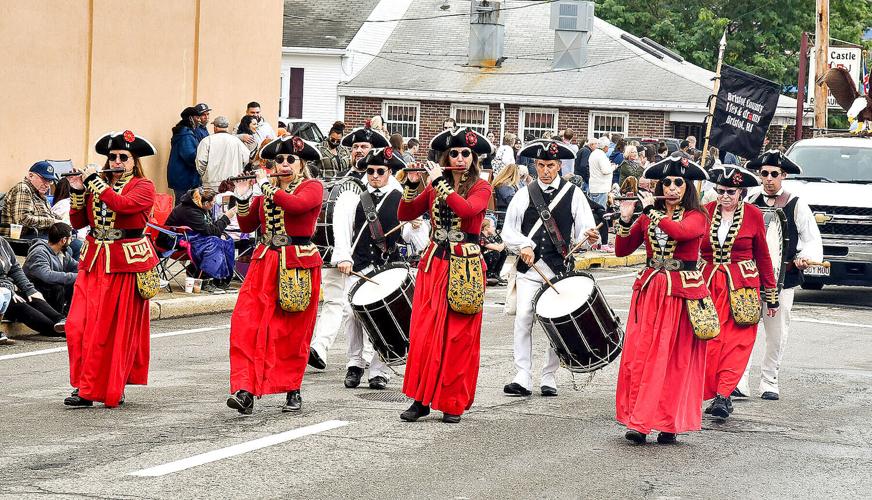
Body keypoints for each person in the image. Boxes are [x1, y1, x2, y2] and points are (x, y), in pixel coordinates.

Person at [397, 127, 494, 423]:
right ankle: (421, 398)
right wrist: (413, 184)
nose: (460, 158)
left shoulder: (482, 186)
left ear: (473, 158)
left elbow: (467, 211)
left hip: (465, 266)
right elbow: (405, 213)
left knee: (457, 337)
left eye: (466, 153)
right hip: (435, 263)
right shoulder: (435, 186)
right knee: (425, 333)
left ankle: (452, 401)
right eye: (454, 153)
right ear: (446, 157)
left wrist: (439, 182)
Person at [613, 153, 711, 444]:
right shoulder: (648, 216)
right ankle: (639, 422)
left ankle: (669, 422)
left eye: (678, 183)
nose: (671, 188)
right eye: (666, 183)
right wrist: (626, 218)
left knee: (674, 360)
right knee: (642, 357)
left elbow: (681, 232)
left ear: (688, 187)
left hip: (679, 293)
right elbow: (622, 250)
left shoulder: (697, 216)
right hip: (651, 291)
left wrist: (651, 212)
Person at [226, 135, 323, 414]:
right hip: (265, 261)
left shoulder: (312, 187)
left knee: (290, 332)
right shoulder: (267, 190)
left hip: (296, 262)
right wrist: (242, 196)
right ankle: (245, 390)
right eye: (279, 160)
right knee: (247, 325)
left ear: (302, 164)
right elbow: (247, 224)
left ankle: (292, 389)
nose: (284, 164)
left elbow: (296, 206)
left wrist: (265, 187)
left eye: (291, 159)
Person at [64, 130, 160, 408]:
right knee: (77, 326)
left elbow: (123, 205)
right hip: (94, 261)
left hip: (123, 264)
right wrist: (77, 190)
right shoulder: (100, 185)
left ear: (134, 161)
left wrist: (93, 182)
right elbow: (78, 222)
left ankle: (96, 388)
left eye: (123, 157)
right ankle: (85, 382)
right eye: (112, 157)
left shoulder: (144, 186)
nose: (116, 161)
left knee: (109, 331)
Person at [501, 140, 598, 397]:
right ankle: (522, 375)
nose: (546, 171)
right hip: (530, 270)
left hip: (559, 270)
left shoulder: (573, 193)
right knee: (524, 318)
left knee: (557, 323)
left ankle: (549, 375)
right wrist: (523, 245)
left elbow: (584, 232)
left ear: (559, 166)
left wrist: (590, 237)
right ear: (535, 165)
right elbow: (508, 230)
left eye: (551, 165)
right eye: (541, 165)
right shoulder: (524, 193)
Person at [331, 147, 423, 390]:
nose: (374, 175)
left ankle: (379, 370)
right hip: (359, 265)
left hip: (387, 268)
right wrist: (343, 256)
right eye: (370, 171)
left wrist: (415, 225)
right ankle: (354, 363)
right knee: (351, 313)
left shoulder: (400, 197)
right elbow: (343, 230)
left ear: (389, 172)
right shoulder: (354, 197)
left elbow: (412, 238)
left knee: (386, 318)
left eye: (380, 171)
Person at [737, 150, 823, 401]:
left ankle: (769, 380)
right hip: (750, 277)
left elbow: (811, 238)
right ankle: (739, 380)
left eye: (774, 174)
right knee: (744, 328)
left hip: (782, 279)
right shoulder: (749, 201)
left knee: (776, 332)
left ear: (783, 175)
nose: (768, 178)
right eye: (764, 173)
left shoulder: (796, 203)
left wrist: (805, 256)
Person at [307, 122, 391, 370]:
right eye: (355, 147)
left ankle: (365, 357)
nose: (359, 151)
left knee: (362, 306)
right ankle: (319, 348)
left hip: (367, 255)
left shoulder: (380, 181)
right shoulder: (341, 179)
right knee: (333, 300)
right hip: (337, 249)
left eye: (364, 146)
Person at [699, 166, 778, 420]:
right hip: (709, 285)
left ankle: (723, 395)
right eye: (721, 191)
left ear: (741, 192)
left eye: (730, 192)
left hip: (742, 288)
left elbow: (763, 256)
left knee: (737, 342)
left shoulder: (753, 214)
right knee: (710, 340)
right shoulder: (704, 212)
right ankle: (711, 391)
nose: (725, 196)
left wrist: (771, 294)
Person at [165, 188, 237, 291]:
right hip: (174, 240)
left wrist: (221, 233)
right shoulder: (190, 211)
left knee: (227, 241)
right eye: (213, 202)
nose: (214, 204)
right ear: (206, 203)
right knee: (213, 242)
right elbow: (212, 231)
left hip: (192, 237)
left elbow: (211, 229)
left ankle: (222, 279)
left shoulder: (202, 208)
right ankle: (204, 279)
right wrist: (226, 218)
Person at [0, 234, 64, 341]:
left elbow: (15, 269)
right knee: (20, 305)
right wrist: (9, 291)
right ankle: (61, 331)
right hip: (4, 294)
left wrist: (29, 289)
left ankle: (62, 320)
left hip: (9, 290)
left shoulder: (2, 242)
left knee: (33, 297)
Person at [23, 222, 77, 314]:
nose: (71, 240)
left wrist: (88, 271)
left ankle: (68, 314)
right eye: (70, 238)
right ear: (64, 240)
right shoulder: (39, 252)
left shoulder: (62, 253)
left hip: (48, 289)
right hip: (34, 291)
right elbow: (47, 276)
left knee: (76, 283)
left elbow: (76, 266)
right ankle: (58, 317)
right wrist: (77, 276)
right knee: (59, 287)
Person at [1, 161, 63, 239]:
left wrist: (63, 220)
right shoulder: (23, 188)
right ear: (30, 176)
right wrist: (53, 221)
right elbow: (23, 219)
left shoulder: (39, 194)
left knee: (71, 239)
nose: (47, 185)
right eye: (44, 179)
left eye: (50, 181)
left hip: (38, 236)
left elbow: (49, 215)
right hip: (22, 238)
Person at [194, 115, 249, 191]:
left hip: (211, 183)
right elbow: (246, 158)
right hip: (233, 182)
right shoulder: (237, 141)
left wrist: (205, 175)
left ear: (215, 127)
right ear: (227, 127)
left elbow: (200, 161)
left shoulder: (206, 141)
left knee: (212, 199)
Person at [168, 109, 201, 203]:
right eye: (197, 117)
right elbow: (190, 156)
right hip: (185, 178)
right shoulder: (186, 135)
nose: (199, 120)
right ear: (190, 118)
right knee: (183, 206)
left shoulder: (184, 133)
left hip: (181, 176)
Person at [588, 136, 614, 246]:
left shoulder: (593, 154)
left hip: (594, 187)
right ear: (605, 147)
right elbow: (605, 170)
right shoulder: (602, 155)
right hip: (601, 188)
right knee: (601, 216)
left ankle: (594, 241)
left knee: (593, 215)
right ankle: (602, 242)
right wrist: (613, 167)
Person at [479, 217, 507, 285]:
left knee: (503, 252)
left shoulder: (489, 237)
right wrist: (505, 242)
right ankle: (488, 275)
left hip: (483, 258)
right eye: (493, 226)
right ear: (486, 228)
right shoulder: (481, 237)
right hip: (479, 260)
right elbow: (498, 248)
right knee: (495, 253)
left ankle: (496, 274)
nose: (494, 228)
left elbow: (499, 246)